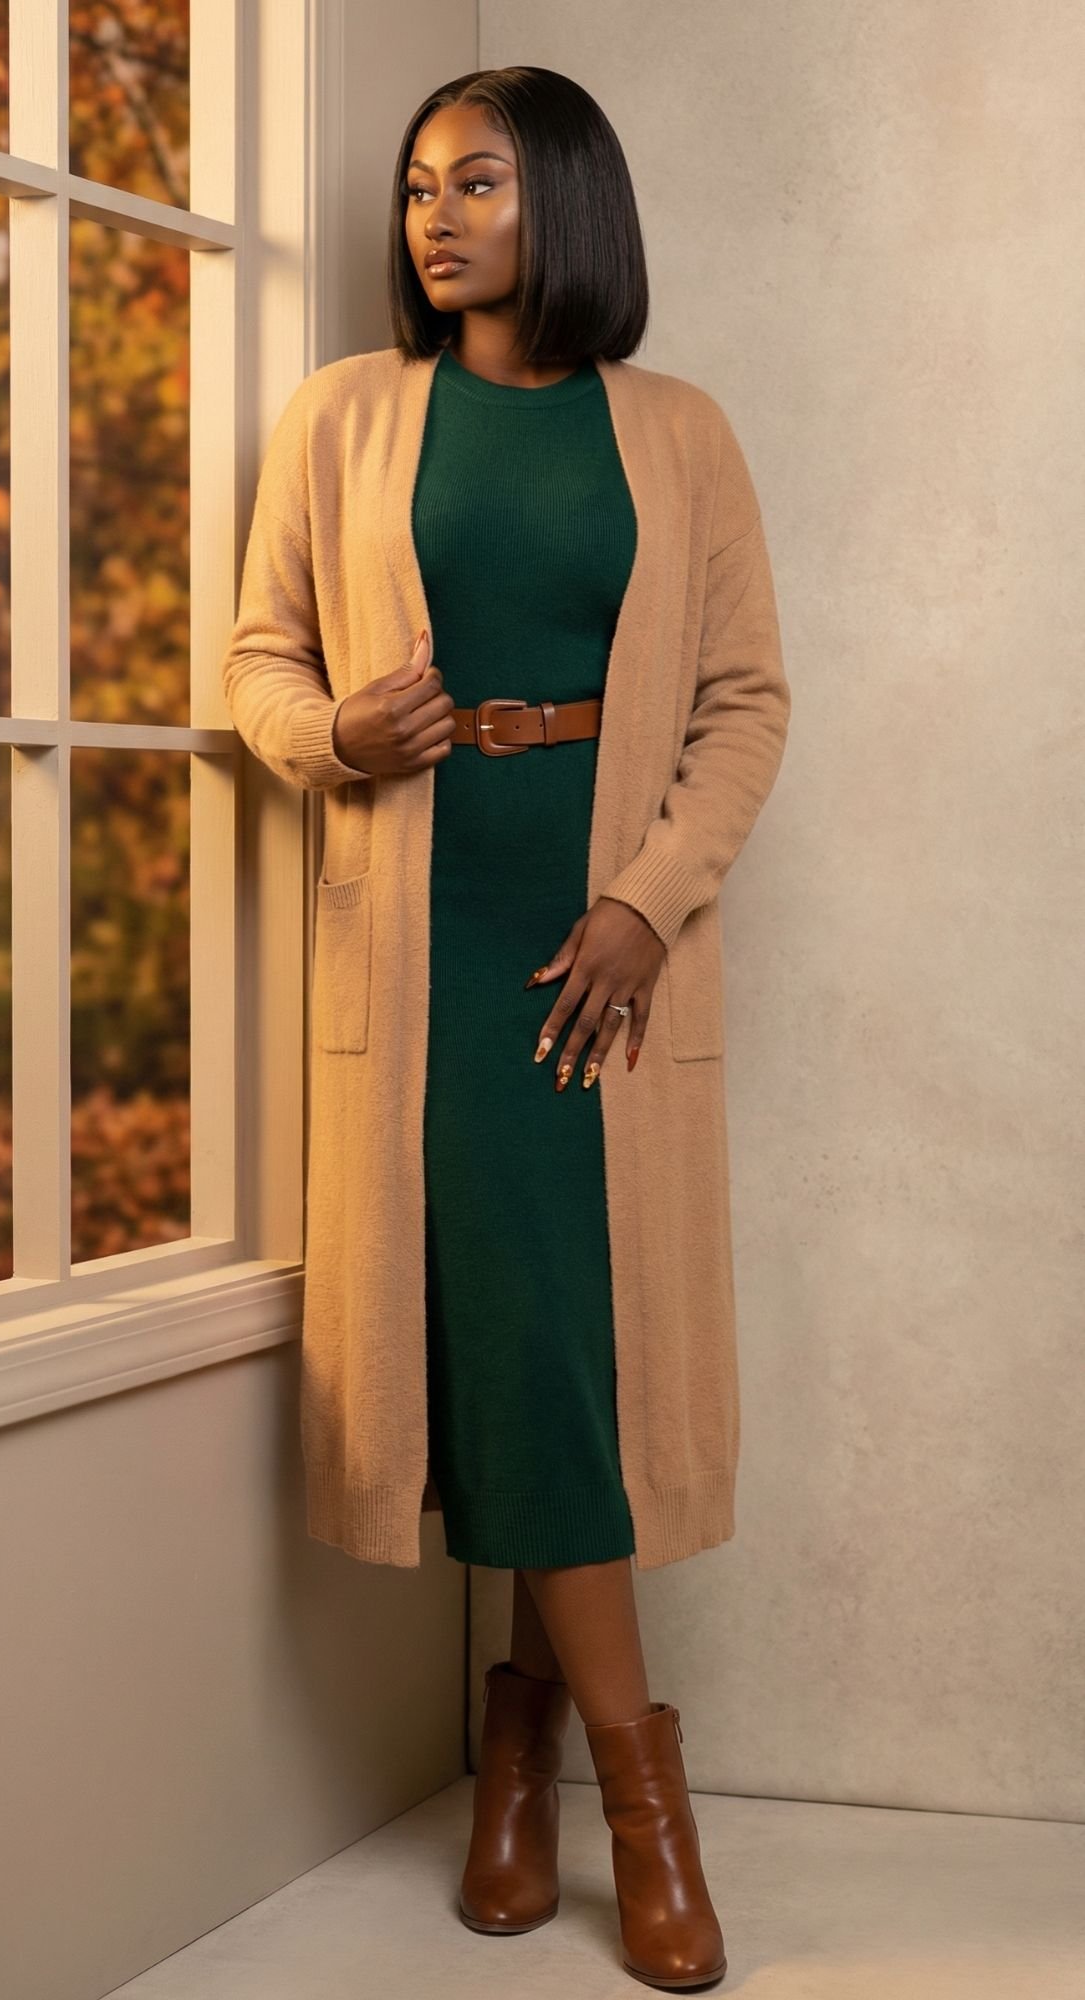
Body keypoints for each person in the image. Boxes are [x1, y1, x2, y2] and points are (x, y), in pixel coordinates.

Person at [222, 63, 789, 1995]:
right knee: (522, 1340)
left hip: (601, 938)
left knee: (567, 1339)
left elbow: (743, 706)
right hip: (428, 938)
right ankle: (632, 1800)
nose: (434, 215)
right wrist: (332, 738)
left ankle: (532, 1774)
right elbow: (260, 661)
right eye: (413, 188)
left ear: (569, 199)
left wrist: (645, 899)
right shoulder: (349, 419)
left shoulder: (682, 433)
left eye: (476, 180)